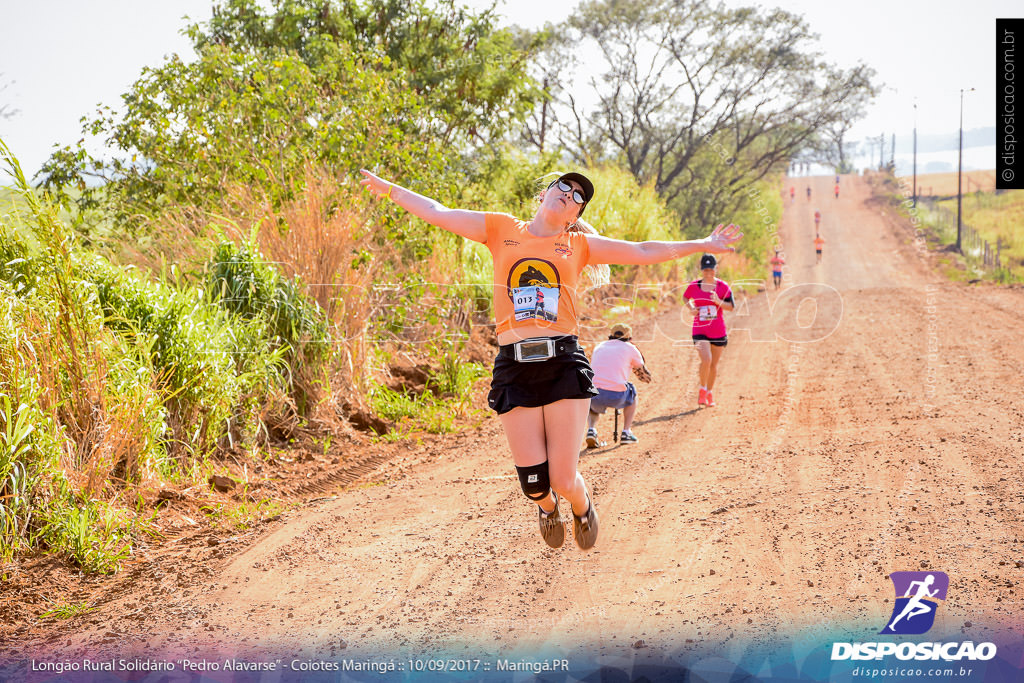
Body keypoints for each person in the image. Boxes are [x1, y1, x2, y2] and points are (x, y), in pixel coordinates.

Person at [358, 168, 742, 551]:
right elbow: (439, 211)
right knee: (535, 485)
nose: (570, 194)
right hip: (514, 364)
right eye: (565, 186)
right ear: (545, 192)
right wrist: (389, 189)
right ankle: (547, 508)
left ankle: (581, 504)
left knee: (562, 477)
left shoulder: (579, 247)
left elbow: (642, 250)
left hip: (562, 362)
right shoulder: (501, 229)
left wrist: (702, 242)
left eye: (579, 196)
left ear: (576, 216)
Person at [586, 323, 651, 447]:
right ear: (630, 338)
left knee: (592, 397)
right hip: (617, 395)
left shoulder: (599, 347)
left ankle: (591, 430)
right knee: (632, 391)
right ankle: (626, 432)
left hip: (595, 397)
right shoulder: (631, 348)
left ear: (610, 335)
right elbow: (645, 377)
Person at [683, 254, 734, 407]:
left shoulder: (722, 287)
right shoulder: (694, 285)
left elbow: (731, 307)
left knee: (713, 365)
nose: (708, 273)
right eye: (705, 270)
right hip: (700, 330)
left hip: (718, 331)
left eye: (711, 269)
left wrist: (718, 301)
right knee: (706, 359)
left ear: (716, 269)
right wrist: (691, 309)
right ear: (702, 270)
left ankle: (709, 392)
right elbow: (685, 297)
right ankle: (702, 389)